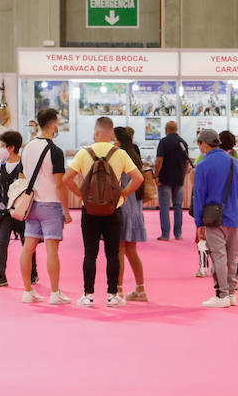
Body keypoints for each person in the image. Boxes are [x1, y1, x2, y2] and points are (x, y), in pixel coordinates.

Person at [62, 116, 144, 308]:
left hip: (89, 210)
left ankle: (88, 295)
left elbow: (67, 178)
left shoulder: (84, 153)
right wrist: (122, 195)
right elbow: (138, 178)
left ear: (96, 132)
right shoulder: (120, 153)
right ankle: (113, 294)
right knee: (113, 254)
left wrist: (82, 195)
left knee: (90, 254)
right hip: (113, 209)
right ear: (111, 132)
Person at [19, 108, 72, 305]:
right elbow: (60, 184)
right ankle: (55, 292)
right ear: (51, 125)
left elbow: (23, 173)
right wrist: (66, 211)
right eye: (57, 122)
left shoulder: (28, 147)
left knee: (28, 248)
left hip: (32, 203)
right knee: (52, 250)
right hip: (51, 204)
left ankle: (27, 290)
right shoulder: (55, 151)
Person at [191, 127, 238, 308]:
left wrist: (198, 222)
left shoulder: (203, 165)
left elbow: (198, 195)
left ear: (204, 144)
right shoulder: (234, 163)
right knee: (232, 258)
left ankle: (221, 294)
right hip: (234, 216)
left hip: (214, 218)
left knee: (219, 257)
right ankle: (231, 293)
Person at [0, 129, 35, 288]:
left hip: (20, 209)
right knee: (2, 242)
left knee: (27, 242)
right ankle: (1, 274)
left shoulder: (24, 165)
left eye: (2, 145)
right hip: (4, 209)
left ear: (11, 147)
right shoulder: (0, 163)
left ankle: (33, 272)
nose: (0, 148)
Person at [114, 125, 149, 302]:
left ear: (117, 139)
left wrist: (122, 194)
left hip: (123, 207)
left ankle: (118, 290)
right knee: (131, 251)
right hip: (135, 208)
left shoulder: (119, 156)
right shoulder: (134, 154)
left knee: (119, 250)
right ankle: (140, 289)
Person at [153, 120, 190, 240]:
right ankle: (178, 233)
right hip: (179, 179)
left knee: (164, 206)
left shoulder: (163, 142)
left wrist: (156, 175)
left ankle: (165, 234)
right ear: (176, 129)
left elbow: (159, 160)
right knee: (178, 206)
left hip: (165, 178)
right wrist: (182, 174)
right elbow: (186, 162)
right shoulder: (183, 142)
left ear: (166, 129)